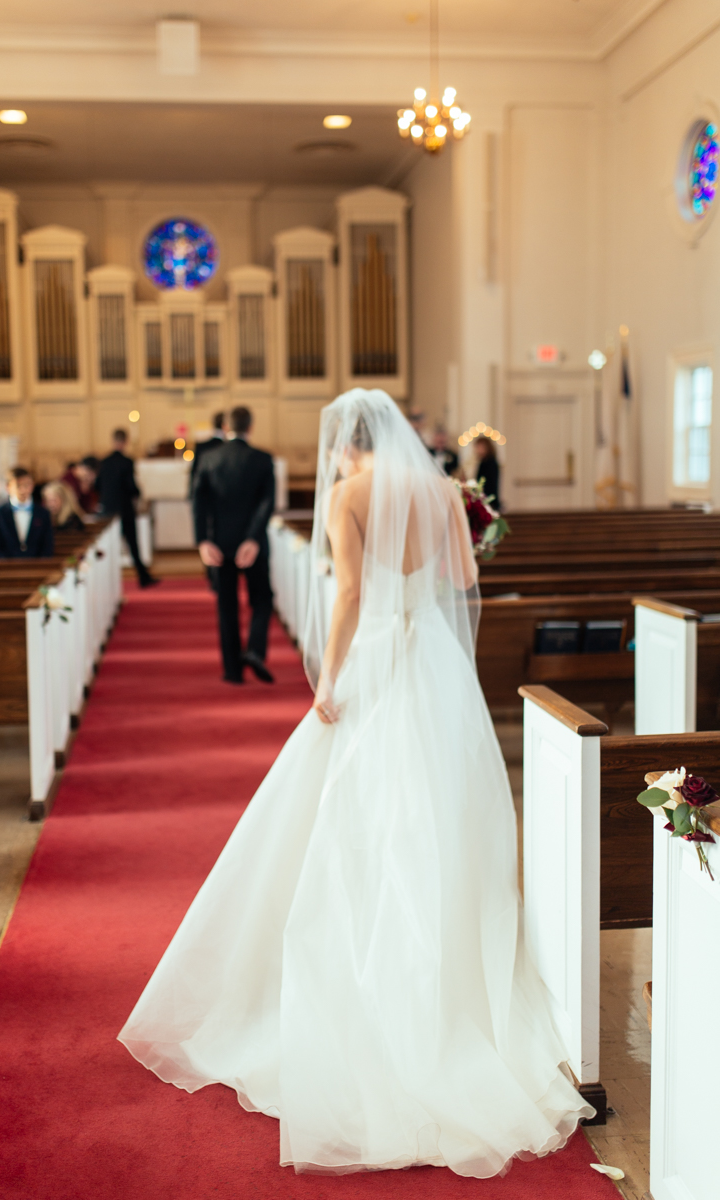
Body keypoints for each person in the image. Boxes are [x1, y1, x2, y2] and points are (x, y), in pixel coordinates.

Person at [118, 388, 593, 1177]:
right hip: (435, 664)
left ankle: (359, 981)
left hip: (377, 655)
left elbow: (345, 595)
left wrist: (326, 678)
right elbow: (462, 570)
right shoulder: (443, 490)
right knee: (437, 811)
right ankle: (448, 980)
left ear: (348, 442)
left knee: (360, 816)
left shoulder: (347, 492)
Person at [192, 405, 275, 684]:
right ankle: (254, 649)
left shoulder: (209, 458)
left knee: (226, 605)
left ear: (226, 428)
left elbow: (198, 503)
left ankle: (232, 670)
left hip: (220, 543)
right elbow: (267, 503)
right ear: (250, 427)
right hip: (254, 544)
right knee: (262, 599)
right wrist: (252, 538)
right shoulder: (262, 459)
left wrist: (203, 540)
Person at [95, 430, 156, 588]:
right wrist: (138, 492)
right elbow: (131, 486)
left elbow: (97, 486)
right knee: (133, 544)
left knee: (108, 547)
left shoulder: (104, 462)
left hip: (107, 511)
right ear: (126, 442)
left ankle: (108, 583)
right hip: (124, 509)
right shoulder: (127, 461)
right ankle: (143, 577)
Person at [0, 467, 54, 559]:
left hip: (37, 567)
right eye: (18, 486)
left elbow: (47, 546)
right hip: (7, 568)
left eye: (27, 485)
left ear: (32, 486)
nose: (23, 490)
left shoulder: (43, 513)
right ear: (8, 487)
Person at [188, 411, 224, 497]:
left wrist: (191, 494)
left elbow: (194, 474)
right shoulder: (230, 448)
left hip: (205, 495)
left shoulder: (201, 447)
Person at [475, 435, 500, 505]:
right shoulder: (483, 462)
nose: (478, 450)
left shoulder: (491, 463)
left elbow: (490, 484)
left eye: (480, 447)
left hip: (489, 499)